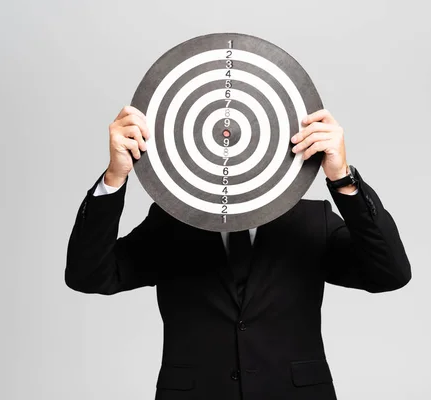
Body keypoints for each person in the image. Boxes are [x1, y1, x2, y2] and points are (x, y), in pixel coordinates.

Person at [65, 105, 412, 400]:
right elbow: (89, 274)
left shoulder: (312, 220)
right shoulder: (171, 222)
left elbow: (390, 273)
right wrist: (114, 177)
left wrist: (342, 178)